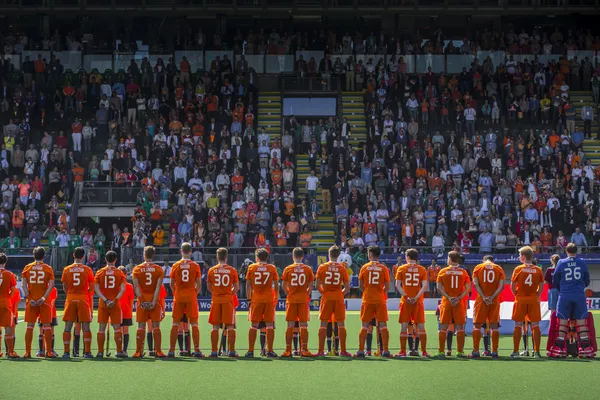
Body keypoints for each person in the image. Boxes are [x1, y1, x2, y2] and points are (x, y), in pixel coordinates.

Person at [549, 243, 594, 358]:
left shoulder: (561, 262)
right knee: (581, 323)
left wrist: (563, 288)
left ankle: (560, 349)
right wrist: (579, 287)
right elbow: (587, 279)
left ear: (566, 251)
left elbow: (555, 279)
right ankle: (585, 349)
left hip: (565, 295)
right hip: (579, 294)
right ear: (576, 251)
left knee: (562, 324)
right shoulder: (582, 262)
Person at [169, 242, 203, 358]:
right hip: (191, 296)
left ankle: (172, 350)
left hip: (178, 296)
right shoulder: (195, 266)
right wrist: (194, 293)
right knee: (194, 323)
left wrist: (176, 293)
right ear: (191, 251)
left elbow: (171, 284)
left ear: (181, 251)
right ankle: (197, 350)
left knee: (175, 323)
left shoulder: (175, 265)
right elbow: (199, 284)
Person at [315, 245, 351, 357]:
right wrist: (340, 294)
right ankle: (343, 351)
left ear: (329, 255)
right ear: (338, 255)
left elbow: (317, 285)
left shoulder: (322, 267)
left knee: (323, 324)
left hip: (326, 298)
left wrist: (325, 294)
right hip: (338, 298)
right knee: (341, 324)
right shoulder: (342, 268)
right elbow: (347, 287)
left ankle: (321, 351)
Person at [356, 245, 391, 358]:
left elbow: (360, 285)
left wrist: (367, 291)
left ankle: (361, 351)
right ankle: (385, 351)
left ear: (370, 254)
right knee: (383, 325)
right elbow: (387, 286)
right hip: (380, 299)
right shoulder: (384, 268)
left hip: (368, 299)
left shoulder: (364, 267)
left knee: (365, 325)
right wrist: (380, 292)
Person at [510, 246, 544, 358]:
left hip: (521, 299)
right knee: (535, 325)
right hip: (533, 299)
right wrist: (537, 295)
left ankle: (515, 352)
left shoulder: (518, 269)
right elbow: (541, 285)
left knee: (518, 325)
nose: (519, 257)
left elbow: (512, 286)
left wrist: (517, 295)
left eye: (520, 255)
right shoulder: (538, 269)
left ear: (524, 257)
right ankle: (537, 352)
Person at [394, 248, 429, 358]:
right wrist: (416, 297)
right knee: (421, 326)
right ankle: (423, 352)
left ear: (407, 257)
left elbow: (397, 285)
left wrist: (406, 296)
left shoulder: (401, 268)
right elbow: (424, 286)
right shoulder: (422, 269)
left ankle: (403, 352)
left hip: (406, 301)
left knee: (404, 326)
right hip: (418, 301)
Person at [436, 250, 471, 358]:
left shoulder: (443, 271)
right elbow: (468, 288)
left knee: (443, 327)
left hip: (447, 302)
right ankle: (460, 352)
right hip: (459, 302)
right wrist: (459, 297)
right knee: (460, 327)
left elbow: (438, 287)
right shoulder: (463, 272)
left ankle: (441, 352)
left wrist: (448, 297)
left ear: (450, 259)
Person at [280, 247, 315, 357]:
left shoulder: (288, 269)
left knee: (290, 325)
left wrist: (289, 293)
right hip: (303, 299)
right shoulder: (308, 269)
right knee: (303, 325)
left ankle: (288, 350)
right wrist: (306, 294)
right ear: (302, 256)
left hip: (291, 299)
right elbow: (311, 286)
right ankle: (304, 349)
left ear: (293, 256)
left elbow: (283, 286)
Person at [61, 247, 94, 359]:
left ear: (73, 255)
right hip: (83, 298)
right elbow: (92, 287)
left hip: (70, 297)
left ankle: (66, 352)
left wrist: (70, 294)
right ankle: (87, 352)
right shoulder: (87, 269)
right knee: (85, 325)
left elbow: (64, 287)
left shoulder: (67, 269)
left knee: (68, 326)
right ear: (83, 256)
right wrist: (85, 294)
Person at [245, 247, 279, 358]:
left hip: (256, 299)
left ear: (257, 257)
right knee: (269, 325)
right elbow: (277, 285)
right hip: (269, 299)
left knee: (254, 325)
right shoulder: (272, 268)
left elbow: (248, 285)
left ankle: (250, 351)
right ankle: (270, 350)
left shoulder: (252, 267)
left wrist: (249, 298)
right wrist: (276, 298)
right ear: (267, 257)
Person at [132, 246, 165, 358]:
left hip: (142, 299)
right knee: (156, 326)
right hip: (154, 299)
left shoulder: (137, 269)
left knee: (141, 326)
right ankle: (158, 351)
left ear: (144, 254)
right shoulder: (159, 269)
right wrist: (154, 302)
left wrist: (142, 301)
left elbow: (136, 287)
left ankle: (138, 351)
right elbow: (158, 287)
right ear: (153, 255)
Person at [22, 247, 55, 358]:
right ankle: (49, 352)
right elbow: (51, 285)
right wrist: (44, 298)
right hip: (44, 301)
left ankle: (27, 352)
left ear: (33, 255)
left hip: (31, 301)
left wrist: (30, 298)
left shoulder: (27, 267)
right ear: (44, 256)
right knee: (47, 327)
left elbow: (24, 286)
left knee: (30, 326)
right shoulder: (48, 268)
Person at [207, 247, 239, 358]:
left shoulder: (212, 270)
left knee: (215, 326)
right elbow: (236, 287)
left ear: (217, 257)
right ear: (226, 257)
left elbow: (209, 286)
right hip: (228, 300)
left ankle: (214, 352)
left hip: (216, 300)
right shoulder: (232, 270)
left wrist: (216, 292)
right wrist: (230, 293)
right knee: (230, 326)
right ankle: (231, 351)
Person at [470, 255, 505, 358]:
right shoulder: (498, 268)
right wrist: (492, 297)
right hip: (494, 301)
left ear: (484, 260)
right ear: (492, 260)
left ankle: (475, 351)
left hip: (481, 300)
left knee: (477, 325)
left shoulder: (478, 267)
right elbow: (502, 286)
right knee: (494, 326)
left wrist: (484, 297)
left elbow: (476, 284)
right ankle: (494, 352)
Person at [94, 250, 127, 358]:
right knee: (117, 328)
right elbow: (122, 289)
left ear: (105, 259)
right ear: (116, 260)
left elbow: (96, 289)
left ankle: (100, 352)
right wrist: (114, 300)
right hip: (115, 304)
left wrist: (105, 300)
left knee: (101, 329)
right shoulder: (120, 273)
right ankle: (119, 351)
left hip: (103, 304)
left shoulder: (100, 272)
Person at [0, 253, 19, 358]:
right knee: (8, 328)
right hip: (5, 302)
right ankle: (10, 352)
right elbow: (13, 290)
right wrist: (8, 298)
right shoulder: (9, 274)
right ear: (5, 262)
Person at [118, 266, 135, 356]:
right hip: (123, 311)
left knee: (121, 331)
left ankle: (121, 350)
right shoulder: (128, 286)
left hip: (121, 311)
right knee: (122, 331)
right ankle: (122, 350)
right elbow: (131, 301)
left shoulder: (127, 286)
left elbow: (131, 301)